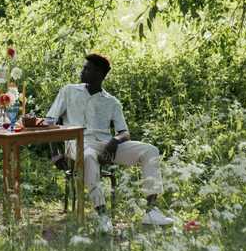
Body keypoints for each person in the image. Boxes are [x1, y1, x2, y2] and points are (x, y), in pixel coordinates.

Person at [46, 53, 174, 231]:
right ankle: (102, 215)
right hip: (77, 142)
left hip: (107, 144)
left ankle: (151, 211)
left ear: (99, 74)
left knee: (150, 150)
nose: (82, 71)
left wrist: (114, 141)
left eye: (87, 69)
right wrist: (55, 153)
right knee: (89, 156)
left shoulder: (112, 102)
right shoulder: (68, 91)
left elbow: (124, 132)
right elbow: (50, 122)